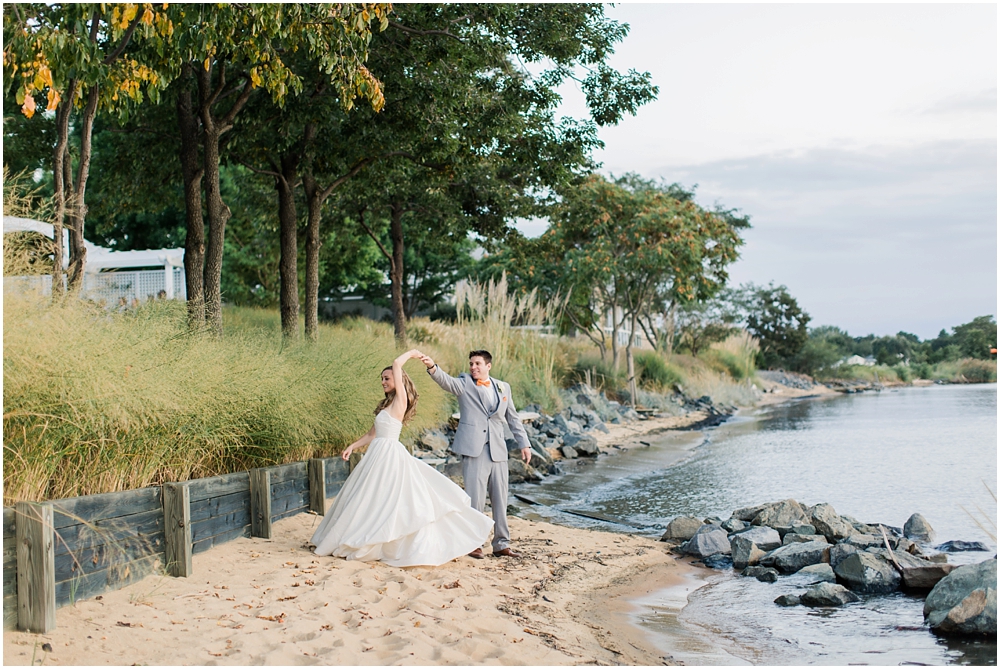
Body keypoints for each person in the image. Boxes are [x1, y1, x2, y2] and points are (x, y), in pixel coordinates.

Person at [310, 349, 493, 567]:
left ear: (398, 381)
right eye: (382, 379)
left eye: (386, 378)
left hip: (389, 455)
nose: (383, 382)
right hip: (376, 454)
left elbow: (397, 363)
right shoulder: (386, 405)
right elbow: (372, 433)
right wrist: (353, 446)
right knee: (368, 497)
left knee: (389, 498)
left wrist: (413, 354)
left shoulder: (401, 400)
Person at [419, 349, 531, 558]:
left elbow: (513, 418)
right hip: (474, 449)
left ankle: (501, 544)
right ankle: (474, 544)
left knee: (500, 498)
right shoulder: (464, 382)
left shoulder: (503, 387)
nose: (473, 367)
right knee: (475, 499)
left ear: (488, 366)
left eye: (477, 364)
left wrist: (524, 444)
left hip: (498, 450)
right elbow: (446, 382)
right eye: (471, 364)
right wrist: (432, 367)